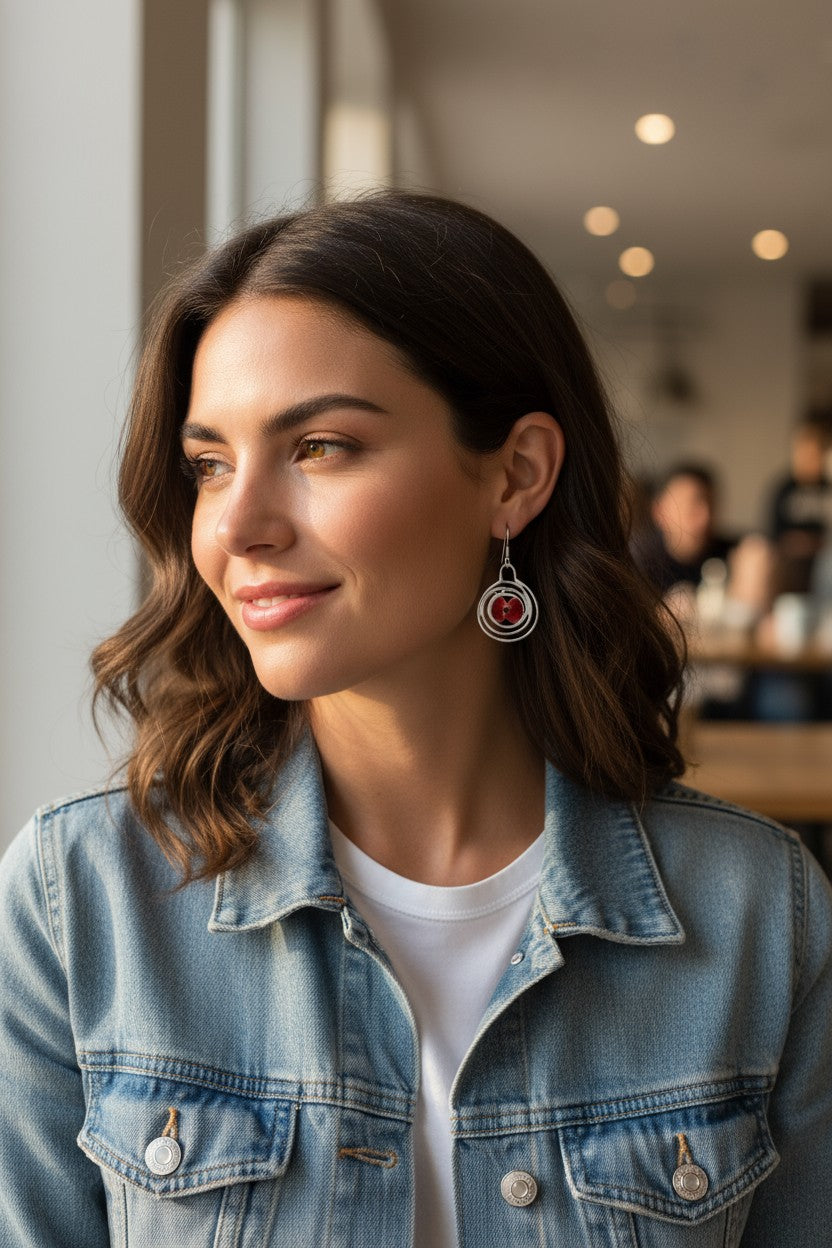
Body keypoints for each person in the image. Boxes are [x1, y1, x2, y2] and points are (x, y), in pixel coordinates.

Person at [0, 192, 830, 1248]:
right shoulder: (82, 902)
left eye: (320, 446)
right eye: (210, 464)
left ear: (515, 475)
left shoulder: (760, 920)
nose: (238, 526)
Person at [632, 463, 734, 597]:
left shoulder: (734, 556)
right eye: (692, 507)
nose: (706, 517)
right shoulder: (637, 563)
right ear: (660, 512)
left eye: (711, 505)